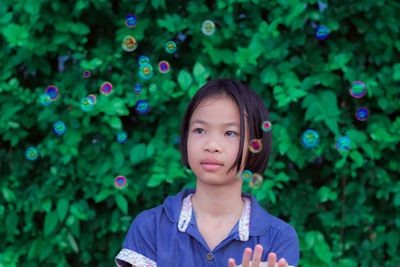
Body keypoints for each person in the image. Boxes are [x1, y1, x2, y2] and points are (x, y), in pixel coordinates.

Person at [115, 78, 299, 267]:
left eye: (230, 133)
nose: (211, 146)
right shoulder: (150, 227)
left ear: (255, 147)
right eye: (200, 130)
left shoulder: (279, 238)